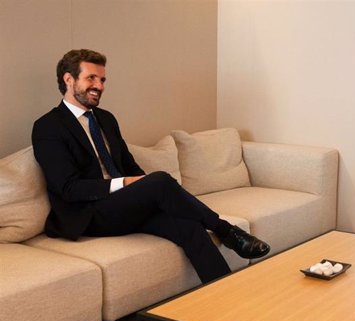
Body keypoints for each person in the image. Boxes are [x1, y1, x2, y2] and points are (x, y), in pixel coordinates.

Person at [32, 49, 270, 284]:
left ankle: (223, 299)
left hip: (122, 205)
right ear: (68, 80)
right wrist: (130, 184)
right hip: (87, 214)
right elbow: (68, 188)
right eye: (91, 78)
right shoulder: (48, 127)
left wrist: (145, 191)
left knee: (188, 226)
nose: (100, 85)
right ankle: (227, 232)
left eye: (103, 79)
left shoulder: (105, 119)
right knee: (160, 180)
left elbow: (128, 164)